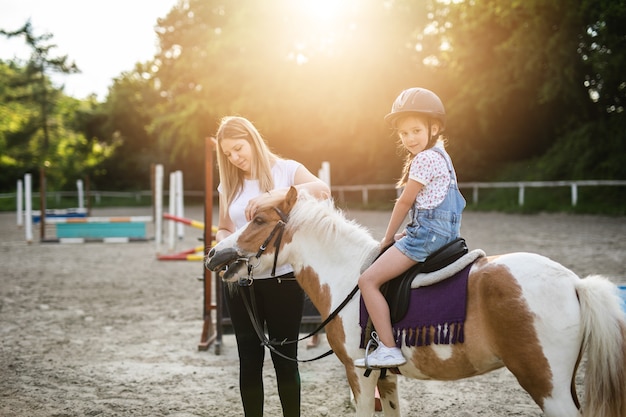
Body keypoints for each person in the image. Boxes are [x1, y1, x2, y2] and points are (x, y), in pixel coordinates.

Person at [214, 116, 330, 417]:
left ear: (252, 140)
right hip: (242, 283)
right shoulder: (229, 184)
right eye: (228, 154)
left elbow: (322, 190)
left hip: (283, 281)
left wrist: (280, 193)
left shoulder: (287, 170)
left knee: (285, 360)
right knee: (249, 361)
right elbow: (225, 228)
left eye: (239, 149)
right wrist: (222, 245)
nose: (235, 158)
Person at [354, 88, 466, 368]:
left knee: (367, 280)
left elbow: (404, 202)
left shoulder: (424, 158)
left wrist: (388, 238)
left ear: (434, 127)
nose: (410, 139)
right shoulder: (443, 156)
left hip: (427, 238)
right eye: (404, 134)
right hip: (445, 235)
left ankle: (389, 349)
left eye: (416, 130)